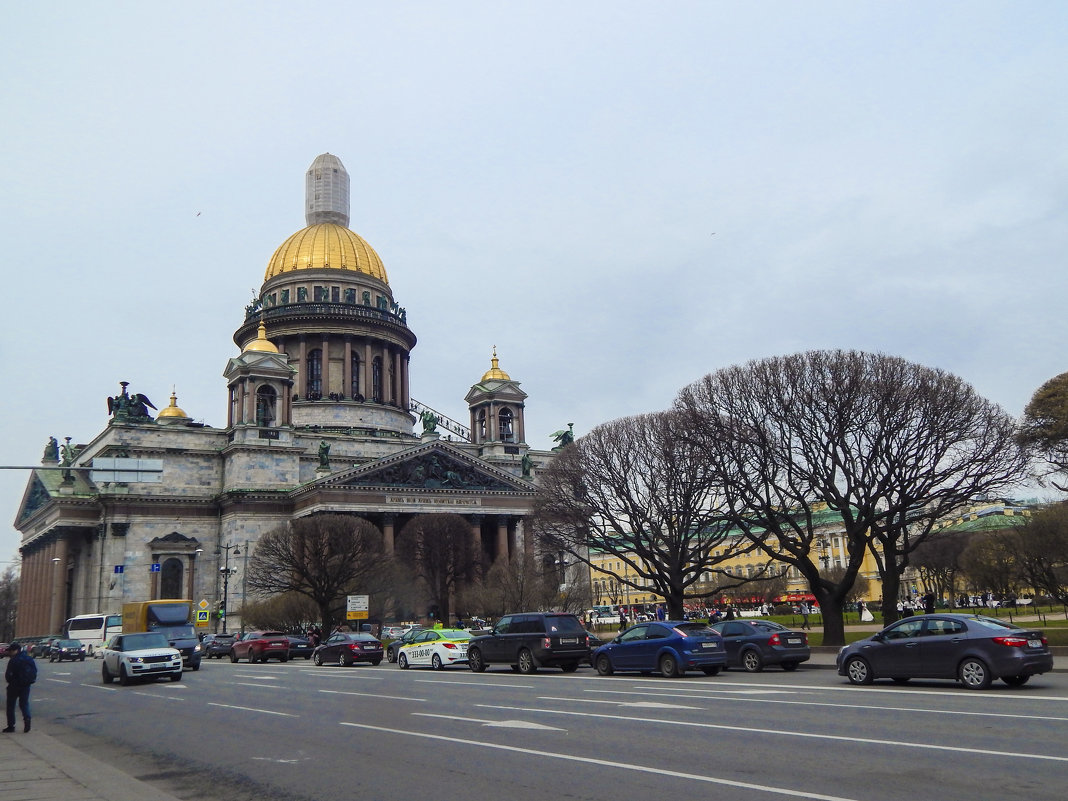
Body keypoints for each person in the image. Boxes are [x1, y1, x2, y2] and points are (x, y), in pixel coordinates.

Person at [4, 642, 37, 733]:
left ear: (16, 650)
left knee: (11, 706)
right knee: (24, 704)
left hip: (14, 686)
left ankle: (11, 726)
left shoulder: (14, 660)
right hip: (26, 685)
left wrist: (11, 681)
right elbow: (34, 671)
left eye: (10, 651)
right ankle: (27, 719)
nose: (9, 653)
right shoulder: (29, 659)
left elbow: (8, 675)